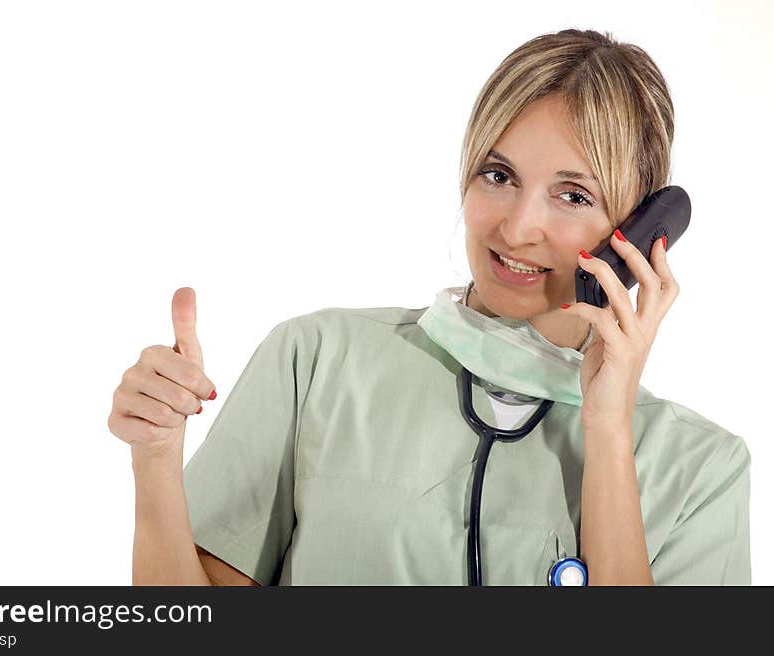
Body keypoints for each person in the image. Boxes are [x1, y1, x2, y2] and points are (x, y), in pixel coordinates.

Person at [108, 29, 751, 585]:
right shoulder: (316, 362)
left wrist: (609, 432)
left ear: (638, 232)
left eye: (573, 195)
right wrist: (157, 460)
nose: (518, 226)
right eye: (498, 176)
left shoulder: (701, 470)